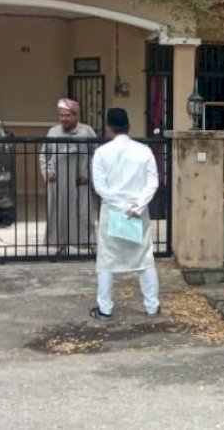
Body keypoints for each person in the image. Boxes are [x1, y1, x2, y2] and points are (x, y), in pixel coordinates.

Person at [89, 108, 160, 320]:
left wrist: (120, 206)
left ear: (108, 127)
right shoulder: (144, 151)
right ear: (128, 125)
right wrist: (135, 206)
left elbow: (100, 187)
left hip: (112, 212)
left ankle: (105, 309)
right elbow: (152, 182)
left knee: (107, 261)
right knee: (144, 259)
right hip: (137, 212)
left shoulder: (102, 153)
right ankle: (152, 307)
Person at [39, 98, 97, 255]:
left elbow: (95, 155)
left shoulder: (87, 131)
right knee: (59, 211)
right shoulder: (53, 132)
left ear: (76, 115)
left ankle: (90, 242)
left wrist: (89, 175)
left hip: (80, 178)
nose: (63, 119)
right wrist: (48, 171)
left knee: (84, 211)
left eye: (67, 115)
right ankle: (60, 244)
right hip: (58, 180)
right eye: (61, 115)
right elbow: (45, 155)